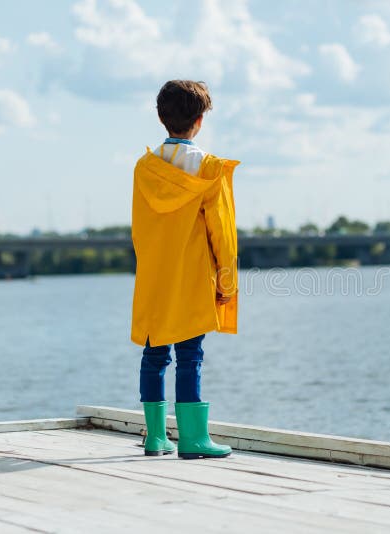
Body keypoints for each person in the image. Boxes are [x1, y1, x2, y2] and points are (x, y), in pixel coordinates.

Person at [131, 80, 239, 459]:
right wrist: (226, 279)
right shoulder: (209, 168)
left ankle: (156, 438)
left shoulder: (145, 167)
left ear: (162, 118)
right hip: (193, 277)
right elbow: (222, 231)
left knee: (154, 355)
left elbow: (139, 227)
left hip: (155, 276)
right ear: (199, 121)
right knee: (190, 356)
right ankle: (193, 439)